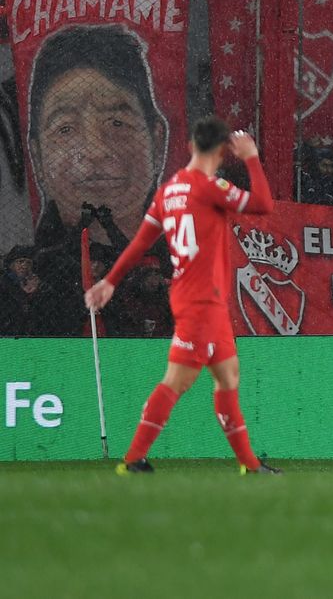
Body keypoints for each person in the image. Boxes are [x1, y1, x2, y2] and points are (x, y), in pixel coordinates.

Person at [85, 118, 281, 475]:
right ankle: (132, 459)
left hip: (200, 298)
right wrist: (252, 158)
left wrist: (110, 280)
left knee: (228, 376)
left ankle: (250, 465)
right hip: (201, 300)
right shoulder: (211, 187)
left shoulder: (168, 190)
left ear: (191, 146)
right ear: (223, 152)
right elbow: (265, 204)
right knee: (178, 380)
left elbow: (142, 242)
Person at [24, 24, 171, 334]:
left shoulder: (184, 256)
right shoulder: (39, 267)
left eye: (118, 123)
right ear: (36, 156)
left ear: (157, 141)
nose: (96, 150)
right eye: (65, 129)